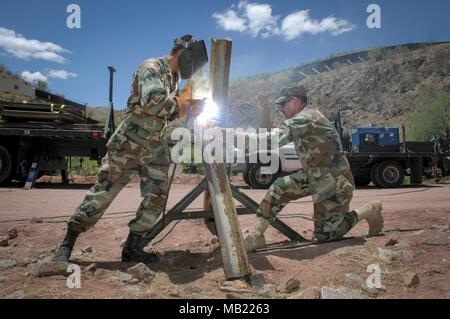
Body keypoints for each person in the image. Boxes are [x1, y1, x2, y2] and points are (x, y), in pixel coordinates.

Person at [53, 35, 207, 263]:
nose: (192, 70)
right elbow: (153, 102)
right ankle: (67, 243)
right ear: (183, 54)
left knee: (156, 196)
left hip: (153, 146)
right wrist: (183, 105)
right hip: (128, 143)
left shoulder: (173, 81)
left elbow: (166, 112)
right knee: (104, 192)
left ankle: (133, 247)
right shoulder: (152, 67)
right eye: (193, 63)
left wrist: (191, 105)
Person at [243, 84, 384, 251]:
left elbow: (274, 140)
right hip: (317, 176)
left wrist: (229, 136)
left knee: (326, 236)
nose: (280, 108)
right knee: (280, 187)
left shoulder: (306, 117)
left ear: (295, 101)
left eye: (283, 104)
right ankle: (257, 235)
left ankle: (369, 210)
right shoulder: (303, 119)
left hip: (335, 183)